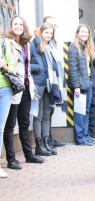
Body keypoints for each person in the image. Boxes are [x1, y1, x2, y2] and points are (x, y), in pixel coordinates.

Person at [4, 16, 45, 170]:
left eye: (21, 24)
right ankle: (11, 158)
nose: (18, 26)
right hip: (14, 87)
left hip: (27, 87)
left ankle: (28, 154)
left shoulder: (25, 43)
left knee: (24, 122)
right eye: (15, 24)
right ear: (11, 26)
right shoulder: (7, 43)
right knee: (10, 124)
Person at [30, 23, 64, 155]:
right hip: (38, 83)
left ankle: (45, 143)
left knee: (46, 115)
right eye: (46, 33)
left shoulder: (51, 46)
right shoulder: (33, 44)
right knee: (38, 116)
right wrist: (38, 67)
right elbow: (27, 63)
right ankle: (39, 146)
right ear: (41, 32)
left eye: (51, 33)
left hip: (49, 85)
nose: (49, 35)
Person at [67, 24, 95, 146]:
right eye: (82, 32)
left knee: (87, 110)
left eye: (87, 32)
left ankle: (85, 135)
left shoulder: (86, 47)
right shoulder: (74, 47)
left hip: (88, 81)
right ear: (77, 33)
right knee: (80, 112)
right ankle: (79, 138)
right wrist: (76, 86)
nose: (85, 34)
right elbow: (72, 69)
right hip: (80, 84)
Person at [42, 16, 66, 148]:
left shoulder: (54, 42)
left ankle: (50, 139)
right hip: (45, 83)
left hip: (55, 82)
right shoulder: (41, 42)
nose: (53, 28)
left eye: (55, 26)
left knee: (50, 112)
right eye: (50, 25)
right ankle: (45, 141)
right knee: (44, 114)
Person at [0, 19, 15, 178]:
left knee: (0, 128)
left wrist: (4, 65)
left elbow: (12, 67)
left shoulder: (4, 44)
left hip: (5, 88)